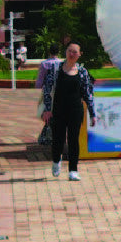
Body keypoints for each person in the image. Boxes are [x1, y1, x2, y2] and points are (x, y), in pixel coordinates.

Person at [39, 42, 97, 181]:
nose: (71, 54)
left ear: (79, 54)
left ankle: (73, 170)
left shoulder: (82, 72)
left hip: (75, 110)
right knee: (58, 140)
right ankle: (55, 161)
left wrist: (92, 113)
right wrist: (47, 110)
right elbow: (47, 90)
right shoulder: (55, 69)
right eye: (69, 51)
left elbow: (88, 93)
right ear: (65, 52)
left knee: (73, 140)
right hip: (58, 110)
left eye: (75, 52)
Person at [35, 48, 61, 146]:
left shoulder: (45, 64)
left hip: (48, 90)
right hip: (58, 90)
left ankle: (48, 135)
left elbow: (41, 78)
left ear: (49, 52)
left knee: (46, 110)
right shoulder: (61, 63)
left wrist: (38, 85)